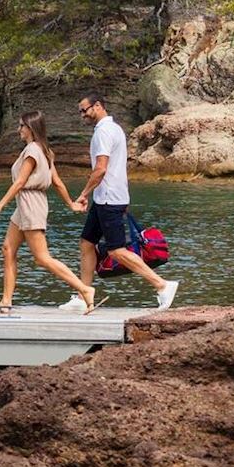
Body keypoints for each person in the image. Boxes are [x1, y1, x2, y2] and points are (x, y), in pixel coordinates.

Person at [69, 94, 179, 310]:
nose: (83, 115)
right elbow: (119, 168)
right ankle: (84, 297)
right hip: (107, 198)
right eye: (80, 112)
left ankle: (162, 285)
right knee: (87, 244)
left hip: (109, 199)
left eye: (85, 110)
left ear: (99, 105)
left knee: (117, 251)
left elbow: (101, 168)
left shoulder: (103, 132)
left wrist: (83, 194)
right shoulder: (115, 129)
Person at [0, 111, 96, 315]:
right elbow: (57, 182)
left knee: (42, 257)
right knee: (8, 249)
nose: (19, 130)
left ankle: (84, 289)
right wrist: (70, 204)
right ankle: (6, 301)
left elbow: (19, 182)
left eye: (21, 126)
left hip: (30, 204)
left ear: (31, 128)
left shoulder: (33, 151)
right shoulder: (45, 150)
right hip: (24, 205)